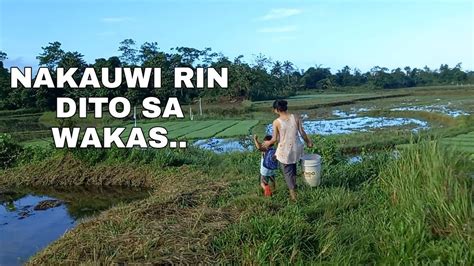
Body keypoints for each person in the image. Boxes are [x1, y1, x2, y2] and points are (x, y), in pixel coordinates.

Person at [263, 99, 313, 201]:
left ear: (277, 110)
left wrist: (268, 143)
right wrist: (308, 142)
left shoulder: (276, 122)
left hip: (285, 151)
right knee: (293, 167)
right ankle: (295, 187)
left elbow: (274, 139)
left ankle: (294, 197)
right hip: (297, 148)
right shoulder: (295, 117)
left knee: (288, 173)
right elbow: (302, 133)